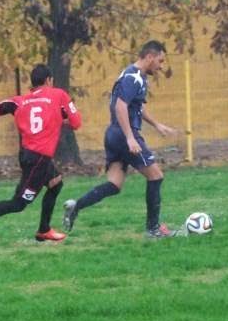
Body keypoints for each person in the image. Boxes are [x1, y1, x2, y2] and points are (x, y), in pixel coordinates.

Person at [62, 41, 180, 239]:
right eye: (160, 61)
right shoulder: (133, 77)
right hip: (124, 135)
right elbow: (120, 106)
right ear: (149, 57)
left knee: (114, 184)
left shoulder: (135, 76)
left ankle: (76, 206)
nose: (161, 66)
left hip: (114, 135)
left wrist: (156, 124)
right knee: (156, 176)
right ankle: (153, 229)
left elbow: (137, 107)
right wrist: (130, 138)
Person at [0, 64, 82, 242]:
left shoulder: (20, 101)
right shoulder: (58, 95)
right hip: (38, 160)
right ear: (49, 80)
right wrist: (59, 120)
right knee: (18, 203)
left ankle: (44, 229)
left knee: (56, 183)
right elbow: (76, 123)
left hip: (30, 155)